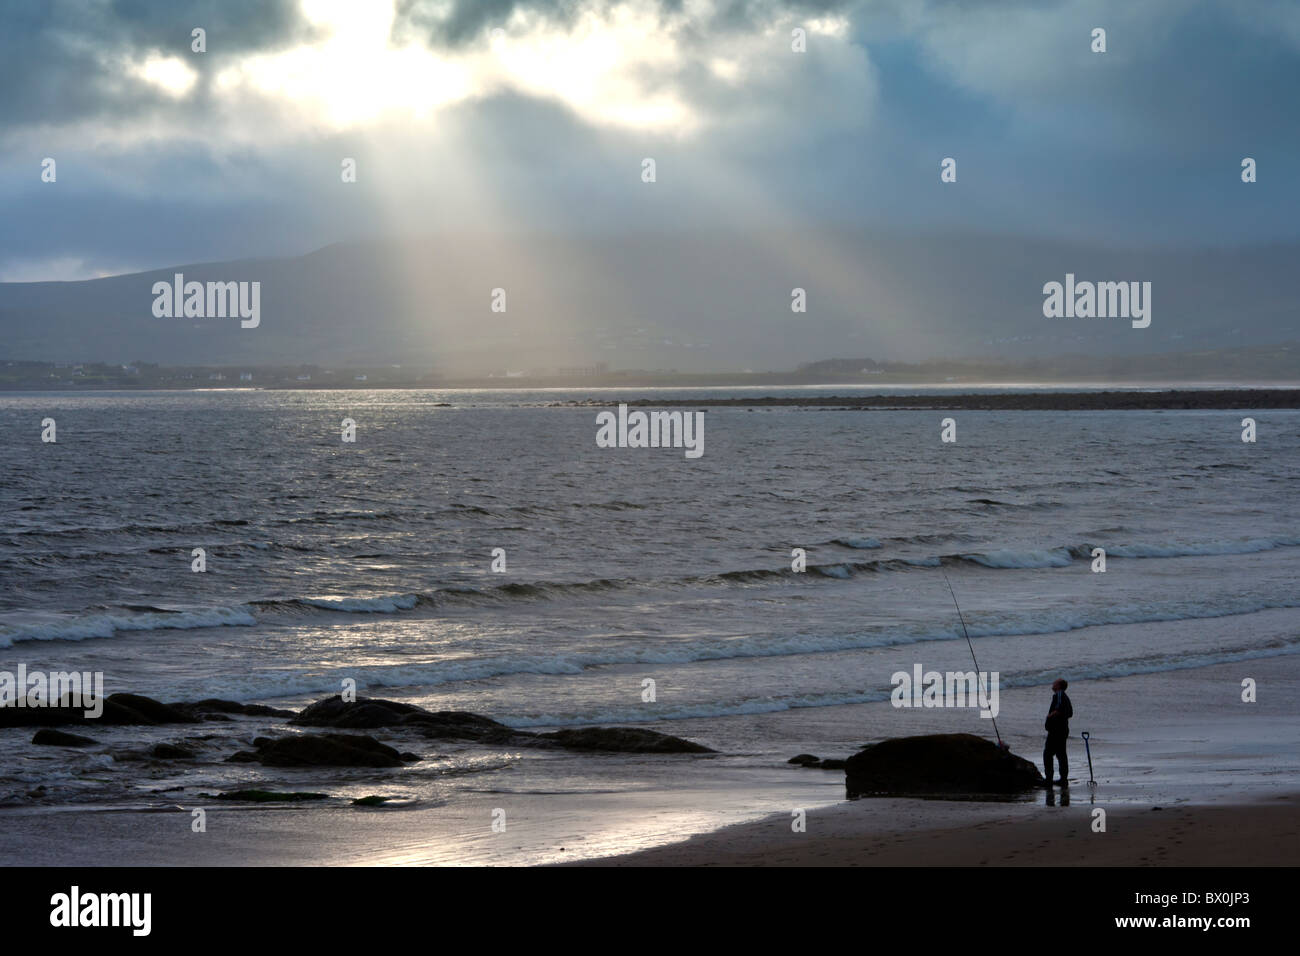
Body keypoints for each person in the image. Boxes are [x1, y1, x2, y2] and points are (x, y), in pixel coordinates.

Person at [1043, 678, 1073, 786]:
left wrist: (1051, 715)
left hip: (1057, 730)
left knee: (1048, 754)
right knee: (1061, 754)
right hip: (1062, 729)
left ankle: (1049, 779)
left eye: (1054, 682)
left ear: (1059, 686)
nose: (1052, 684)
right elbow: (1070, 713)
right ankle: (1063, 779)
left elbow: (1059, 708)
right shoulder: (1063, 696)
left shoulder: (1059, 694)